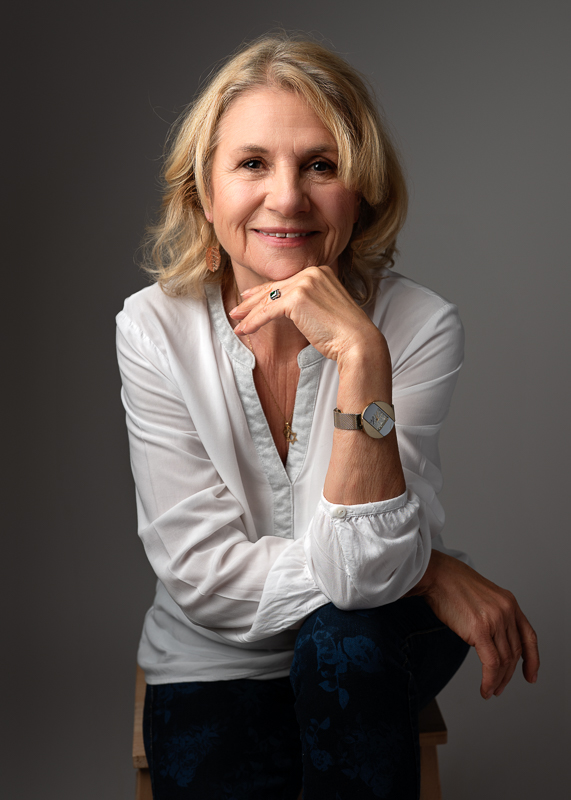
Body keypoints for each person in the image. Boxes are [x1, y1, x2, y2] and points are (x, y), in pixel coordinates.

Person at [116, 34, 539, 800]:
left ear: (362, 189)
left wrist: (359, 355)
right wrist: (428, 571)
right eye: (252, 163)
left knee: (342, 641)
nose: (286, 198)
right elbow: (204, 582)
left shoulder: (415, 326)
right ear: (202, 194)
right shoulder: (152, 327)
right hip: (212, 654)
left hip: (376, 640)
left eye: (321, 164)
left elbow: (368, 581)